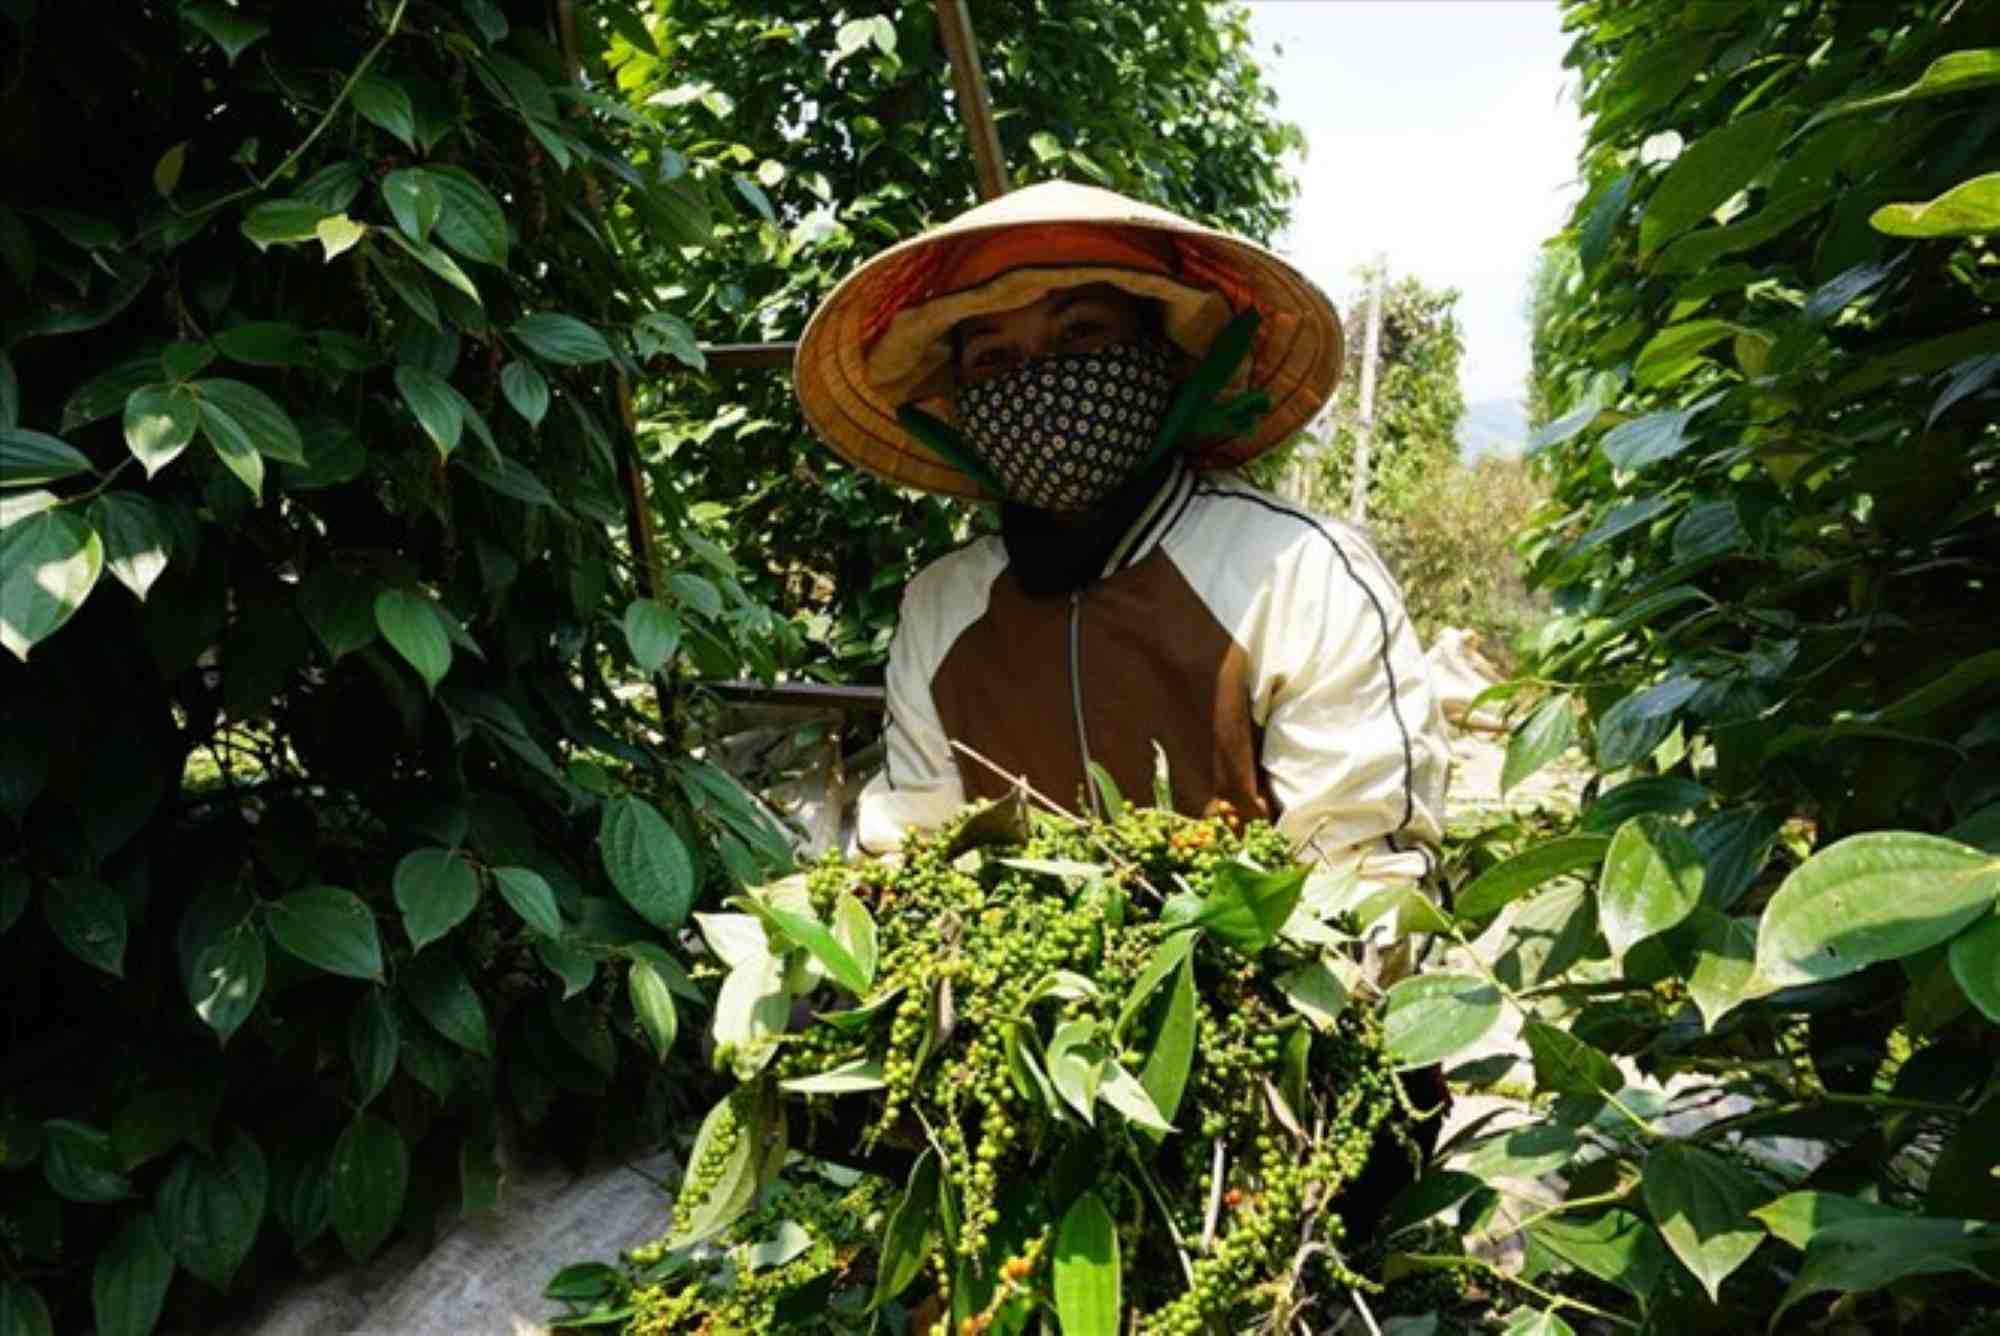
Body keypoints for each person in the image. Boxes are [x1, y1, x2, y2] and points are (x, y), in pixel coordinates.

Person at [793, 179, 1449, 909]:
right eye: (993, 360)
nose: (1041, 383)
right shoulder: (942, 608)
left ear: (1161, 358)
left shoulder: (1299, 576)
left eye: (1080, 335)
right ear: (961, 408)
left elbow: (1363, 882)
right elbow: (918, 845)